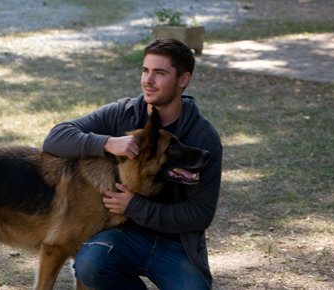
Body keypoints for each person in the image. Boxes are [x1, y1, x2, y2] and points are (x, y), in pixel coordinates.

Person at [42, 38, 222, 289]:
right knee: (90, 264)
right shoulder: (122, 113)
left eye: (160, 73)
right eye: (145, 70)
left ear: (183, 80)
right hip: (123, 235)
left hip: (176, 243)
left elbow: (200, 214)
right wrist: (106, 143)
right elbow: (55, 138)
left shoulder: (202, 137)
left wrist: (135, 206)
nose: (148, 80)